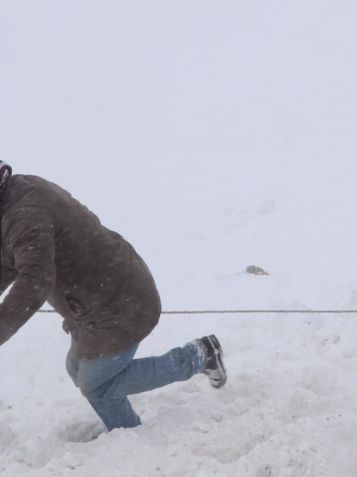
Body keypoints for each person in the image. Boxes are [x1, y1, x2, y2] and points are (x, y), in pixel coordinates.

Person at [0, 163, 227, 431]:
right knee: (78, 371)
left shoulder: (25, 213)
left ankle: (199, 356)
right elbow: (8, 262)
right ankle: (125, 432)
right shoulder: (12, 203)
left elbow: (35, 279)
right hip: (91, 302)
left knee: (97, 384)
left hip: (119, 301)